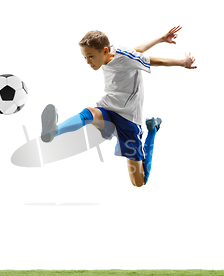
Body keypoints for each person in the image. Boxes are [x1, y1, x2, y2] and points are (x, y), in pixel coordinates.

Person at [41, 26, 197, 187]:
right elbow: (137, 50)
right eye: (85, 57)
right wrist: (161, 39)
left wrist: (183, 63)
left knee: (138, 182)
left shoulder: (125, 58)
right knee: (89, 113)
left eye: (90, 56)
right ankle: (53, 131)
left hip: (128, 120)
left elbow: (154, 60)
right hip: (108, 109)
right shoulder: (113, 53)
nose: (88, 62)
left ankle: (153, 130)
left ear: (105, 50)